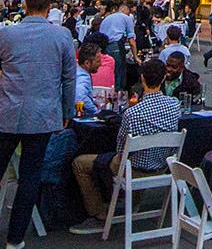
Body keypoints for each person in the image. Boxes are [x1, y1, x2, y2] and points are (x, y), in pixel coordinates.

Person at [0, 0, 78, 249]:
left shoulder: (7, 34)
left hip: (7, 111)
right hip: (42, 113)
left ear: (25, 7)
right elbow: (69, 78)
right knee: (30, 175)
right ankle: (14, 238)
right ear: (49, 8)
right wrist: (66, 110)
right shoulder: (61, 36)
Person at [68, 58, 183, 235]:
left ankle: (98, 213)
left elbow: (121, 149)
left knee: (80, 163)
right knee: (134, 158)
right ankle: (131, 203)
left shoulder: (132, 112)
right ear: (163, 79)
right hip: (162, 166)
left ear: (142, 78)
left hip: (134, 168)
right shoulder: (175, 106)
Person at [98, 0, 137, 88]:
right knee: (119, 73)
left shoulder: (107, 18)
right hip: (116, 46)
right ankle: (119, 95)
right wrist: (136, 57)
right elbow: (131, 41)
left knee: (108, 72)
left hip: (103, 47)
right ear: (126, 11)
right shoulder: (127, 18)